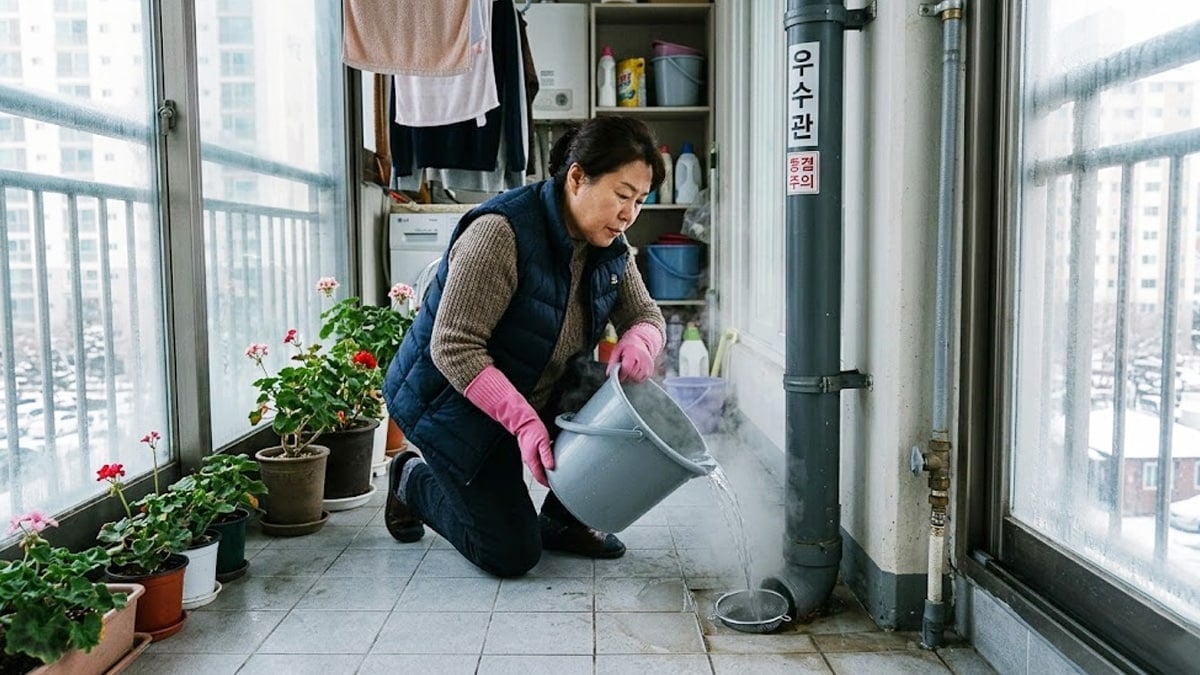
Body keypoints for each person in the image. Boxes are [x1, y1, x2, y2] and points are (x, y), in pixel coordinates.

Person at [381, 116, 667, 577]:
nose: (629, 213)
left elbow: (645, 315)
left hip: (532, 384)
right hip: (453, 404)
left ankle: (561, 520)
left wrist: (641, 339)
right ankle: (411, 480)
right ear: (577, 177)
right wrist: (521, 422)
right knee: (510, 553)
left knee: (613, 398)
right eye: (621, 194)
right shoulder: (501, 232)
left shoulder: (607, 241)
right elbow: (454, 347)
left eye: (639, 200)